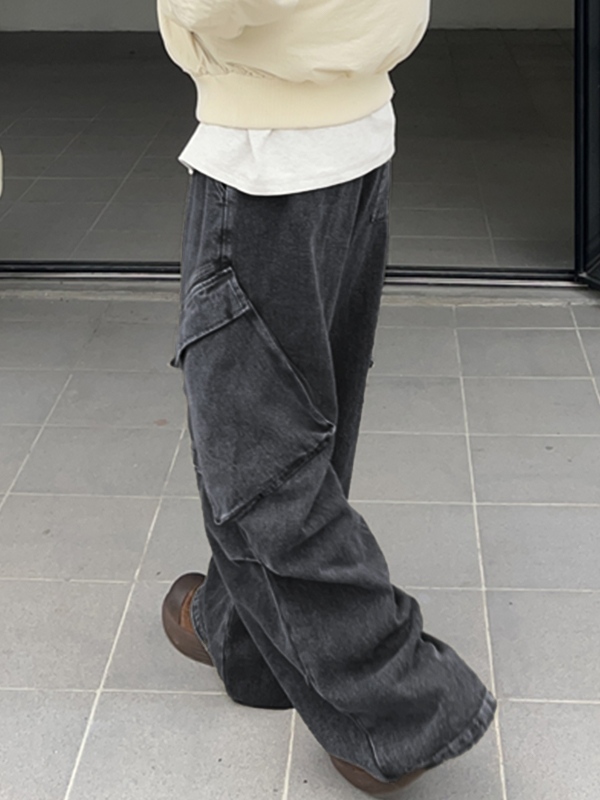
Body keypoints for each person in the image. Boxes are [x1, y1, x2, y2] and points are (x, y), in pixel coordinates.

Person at [157, 0, 496, 793]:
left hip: (267, 152)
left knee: (255, 462)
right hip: (353, 131)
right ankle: (247, 641)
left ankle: (404, 707)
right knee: (304, 418)